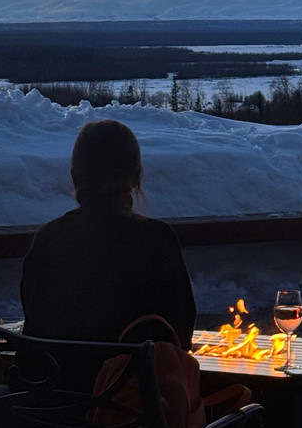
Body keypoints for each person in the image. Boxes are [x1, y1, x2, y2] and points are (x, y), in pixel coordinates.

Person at [20, 119, 197, 391]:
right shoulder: (156, 240)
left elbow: (35, 333)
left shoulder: (49, 239)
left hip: (51, 414)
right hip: (135, 419)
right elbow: (180, 338)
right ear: (137, 177)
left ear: (74, 176)